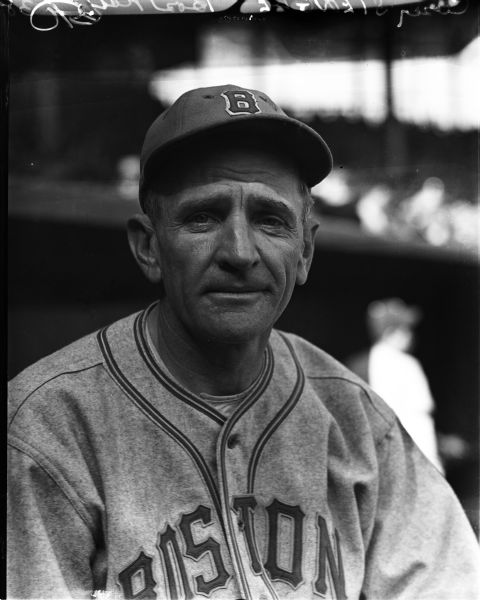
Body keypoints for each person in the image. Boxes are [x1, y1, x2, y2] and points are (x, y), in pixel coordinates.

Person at [8, 85, 480, 600]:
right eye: (203, 217)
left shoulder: (356, 419)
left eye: (270, 220)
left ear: (305, 252)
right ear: (149, 247)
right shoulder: (47, 427)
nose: (239, 251)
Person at [346, 298, 444, 473]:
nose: (410, 335)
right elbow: (423, 411)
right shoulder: (408, 364)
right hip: (414, 458)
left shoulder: (358, 365)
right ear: (391, 332)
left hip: (377, 461)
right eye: (405, 329)